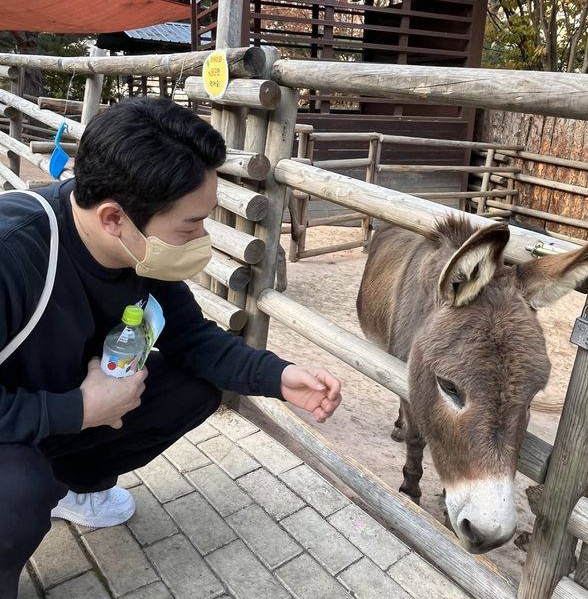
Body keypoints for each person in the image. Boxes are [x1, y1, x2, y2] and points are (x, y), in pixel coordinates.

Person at [0, 97, 342, 599]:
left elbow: (192, 338)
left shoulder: (136, 250)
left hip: (63, 410)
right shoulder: (14, 253)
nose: (201, 235)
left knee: (196, 384)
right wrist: (79, 408)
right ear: (115, 217)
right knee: (16, 495)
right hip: (26, 424)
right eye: (191, 223)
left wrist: (279, 377)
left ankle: (77, 486)